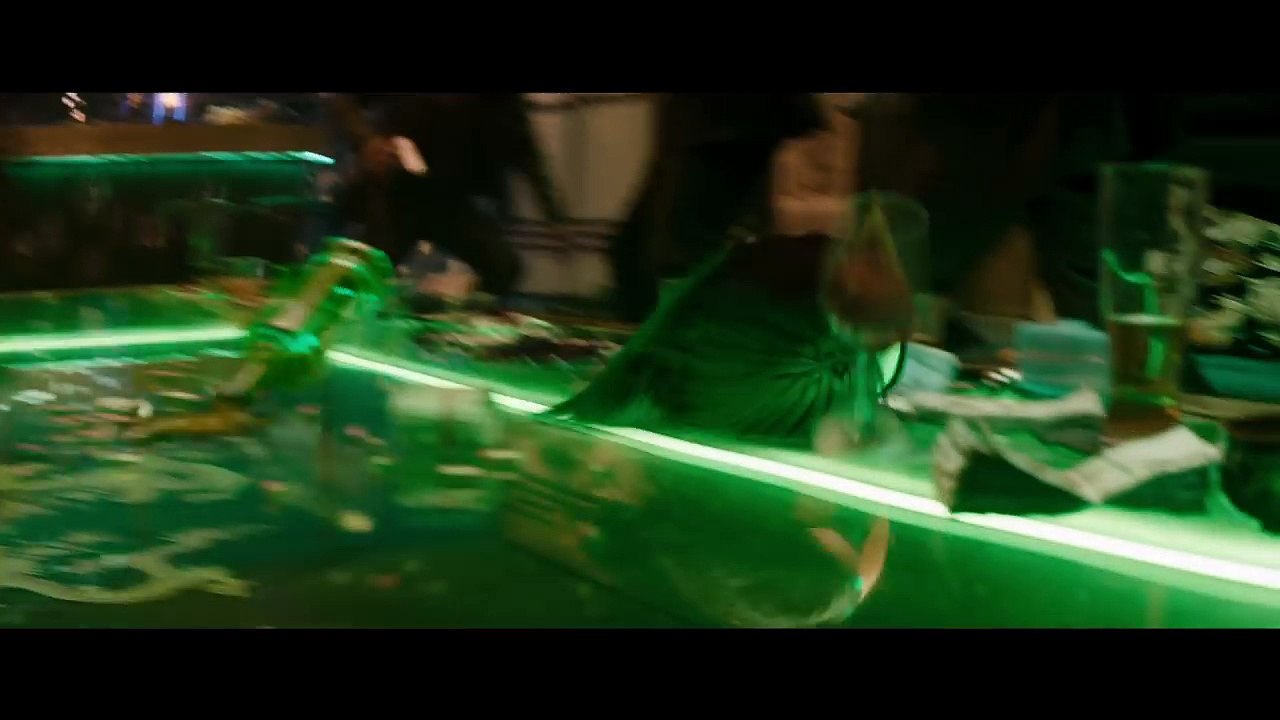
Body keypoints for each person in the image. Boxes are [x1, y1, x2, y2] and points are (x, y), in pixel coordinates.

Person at [608, 94, 827, 322]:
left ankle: (682, 332)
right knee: (639, 253)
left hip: (725, 122)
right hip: (715, 123)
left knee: (675, 254)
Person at [326, 94, 567, 298]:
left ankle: (466, 325)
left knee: (504, 267)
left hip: (450, 202)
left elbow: (525, 150)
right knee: (363, 273)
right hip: (397, 196)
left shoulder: (499, 100)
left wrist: (553, 215)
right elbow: (343, 100)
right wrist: (368, 143)